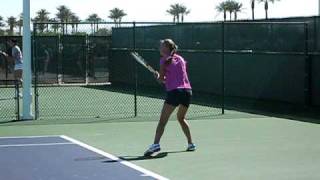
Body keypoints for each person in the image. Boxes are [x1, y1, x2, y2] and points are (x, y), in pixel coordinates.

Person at [144, 39, 196, 156]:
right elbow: (176, 77)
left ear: (167, 48)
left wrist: (157, 76)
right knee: (181, 118)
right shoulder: (181, 59)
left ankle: (156, 144)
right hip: (187, 92)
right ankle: (191, 144)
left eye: (161, 45)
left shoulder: (164, 60)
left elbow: (161, 80)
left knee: (162, 121)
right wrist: (162, 77)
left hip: (175, 92)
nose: (159, 48)